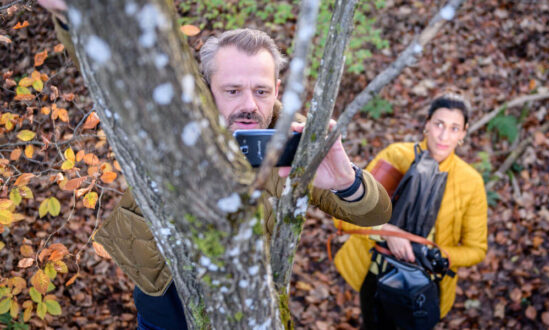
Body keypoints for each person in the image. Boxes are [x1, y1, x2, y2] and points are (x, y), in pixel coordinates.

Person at [38, 2, 392, 329]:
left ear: (278, 88)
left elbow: (375, 213)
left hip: (239, 299)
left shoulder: (294, 138)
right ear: (207, 89)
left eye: (262, 91)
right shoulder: (176, 117)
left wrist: (346, 181)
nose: (249, 105)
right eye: (233, 90)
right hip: (164, 287)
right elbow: (115, 71)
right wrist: (74, 17)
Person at [333, 91, 488, 329]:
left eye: (454, 128)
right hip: (377, 276)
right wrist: (387, 232)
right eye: (438, 124)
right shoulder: (397, 157)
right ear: (427, 124)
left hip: (425, 285)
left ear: (464, 133)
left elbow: (476, 249)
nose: (444, 135)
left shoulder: (470, 181)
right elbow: (345, 215)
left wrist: (437, 255)